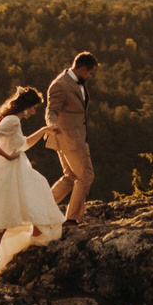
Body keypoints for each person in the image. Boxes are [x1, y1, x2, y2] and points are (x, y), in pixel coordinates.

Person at [0, 85, 68, 279]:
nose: (34, 112)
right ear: (26, 107)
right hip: (6, 173)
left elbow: (23, 144)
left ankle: (34, 234)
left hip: (14, 171)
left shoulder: (13, 121)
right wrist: (7, 156)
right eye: (34, 108)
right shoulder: (11, 121)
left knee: (36, 190)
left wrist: (44, 130)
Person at [46, 51, 98, 222]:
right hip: (69, 138)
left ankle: (41, 207)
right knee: (86, 175)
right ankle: (72, 219)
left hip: (77, 136)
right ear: (83, 69)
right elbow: (51, 110)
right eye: (90, 73)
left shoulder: (76, 83)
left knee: (71, 176)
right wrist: (52, 125)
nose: (90, 76)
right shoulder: (60, 85)